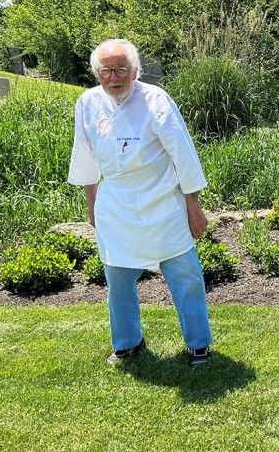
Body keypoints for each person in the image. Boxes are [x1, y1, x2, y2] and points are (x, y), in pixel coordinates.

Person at [68, 38, 213, 366]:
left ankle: (198, 344)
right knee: (117, 280)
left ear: (135, 71)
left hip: (162, 202)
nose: (114, 77)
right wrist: (92, 206)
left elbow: (183, 155)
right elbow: (85, 159)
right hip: (116, 206)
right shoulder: (87, 103)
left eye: (121, 69)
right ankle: (127, 343)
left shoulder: (155, 99)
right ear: (96, 73)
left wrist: (194, 207)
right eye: (106, 70)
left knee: (185, 276)